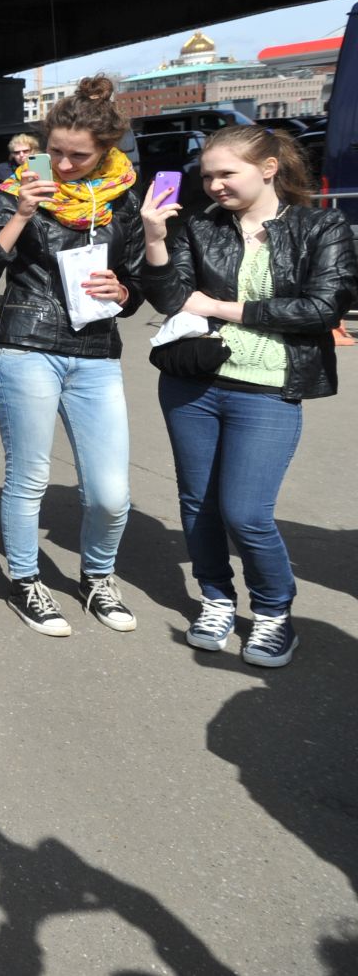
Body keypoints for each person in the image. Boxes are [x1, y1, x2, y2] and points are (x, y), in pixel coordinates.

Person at [139, 125, 358, 667]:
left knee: (246, 512)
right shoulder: (198, 225)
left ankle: (273, 612)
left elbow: (322, 309)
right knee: (198, 504)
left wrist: (220, 308)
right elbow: (171, 298)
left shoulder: (320, 225)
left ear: (268, 168)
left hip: (269, 389)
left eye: (225, 173)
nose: (213, 185)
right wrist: (153, 237)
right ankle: (215, 597)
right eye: (207, 175)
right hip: (193, 382)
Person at [0, 75, 145, 638]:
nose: (62, 166)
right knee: (30, 476)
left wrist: (124, 292)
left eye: (78, 156)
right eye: (55, 151)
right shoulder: (21, 186)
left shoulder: (122, 198)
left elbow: (136, 285)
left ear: (107, 152)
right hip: (26, 344)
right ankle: (26, 581)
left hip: (95, 351)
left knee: (112, 493)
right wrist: (18, 214)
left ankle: (97, 576)